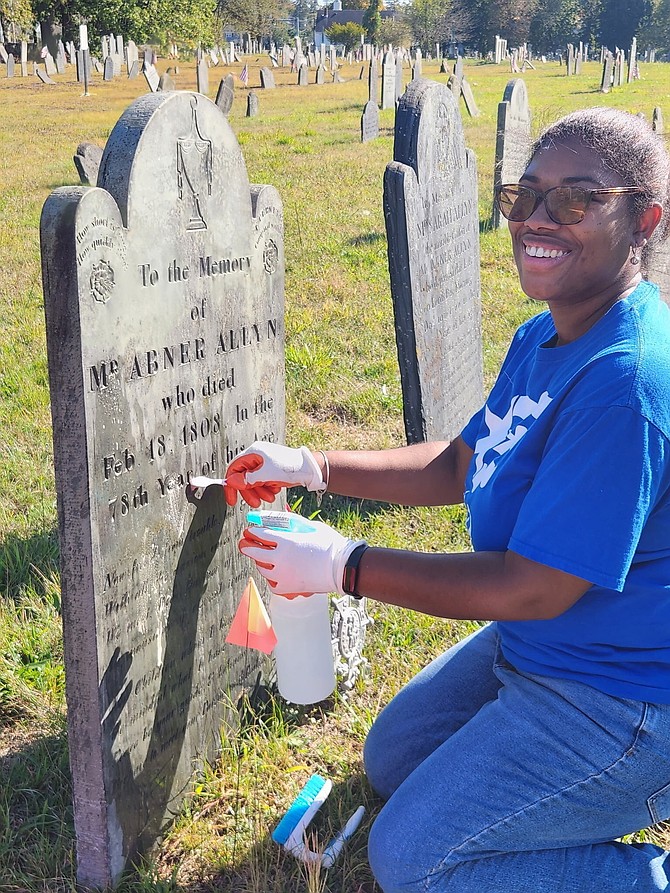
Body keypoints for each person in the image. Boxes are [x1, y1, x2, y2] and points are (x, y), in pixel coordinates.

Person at [225, 107, 670, 892]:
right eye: (523, 196)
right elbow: (463, 460)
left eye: (575, 200)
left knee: (416, 859)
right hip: (538, 649)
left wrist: (344, 564)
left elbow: (530, 586)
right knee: (392, 758)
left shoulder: (625, 381)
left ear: (645, 218)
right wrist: (314, 465)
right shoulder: (546, 335)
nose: (537, 218)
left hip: (623, 700)